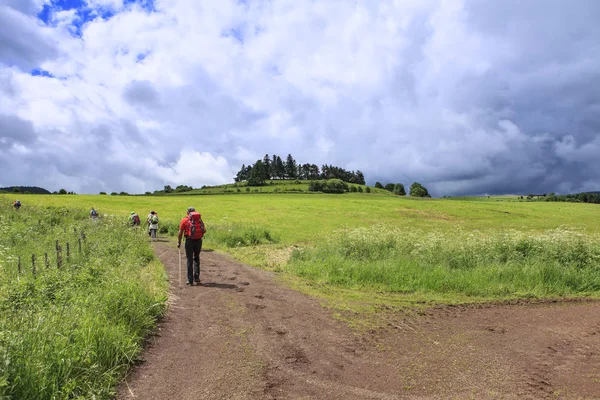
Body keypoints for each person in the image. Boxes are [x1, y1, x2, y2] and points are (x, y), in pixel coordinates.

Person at [177, 206, 207, 285]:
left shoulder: (184, 220)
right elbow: (204, 230)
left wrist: (179, 242)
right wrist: (199, 235)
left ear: (187, 212)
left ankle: (190, 280)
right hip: (198, 240)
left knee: (189, 260)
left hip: (189, 241)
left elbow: (180, 233)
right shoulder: (199, 220)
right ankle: (196, 278)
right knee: (196, 258)